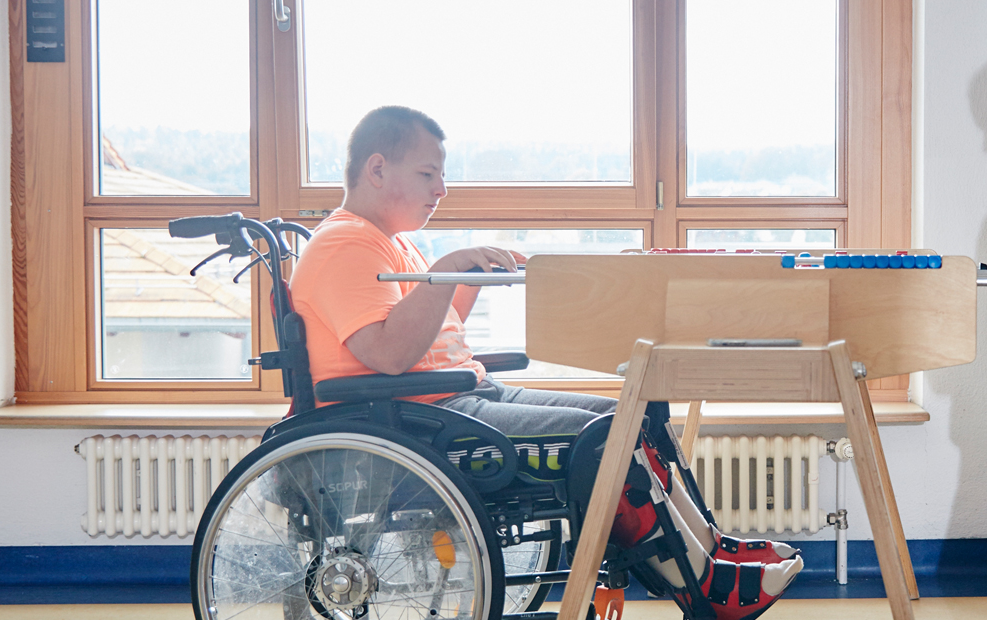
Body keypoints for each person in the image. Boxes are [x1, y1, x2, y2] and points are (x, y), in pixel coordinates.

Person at [288, 105, 802, 620]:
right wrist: (448, 268)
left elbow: (429, 337)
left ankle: (712, 549)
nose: (441, 189)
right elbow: (389, 354)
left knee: (633, 416)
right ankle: (704, 584)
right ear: (377, 169)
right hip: (416, 417)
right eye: (428, 173)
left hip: (454, 396)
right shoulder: (345, 245)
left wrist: (465, 278)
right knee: (606, 440)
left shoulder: (388, 243)